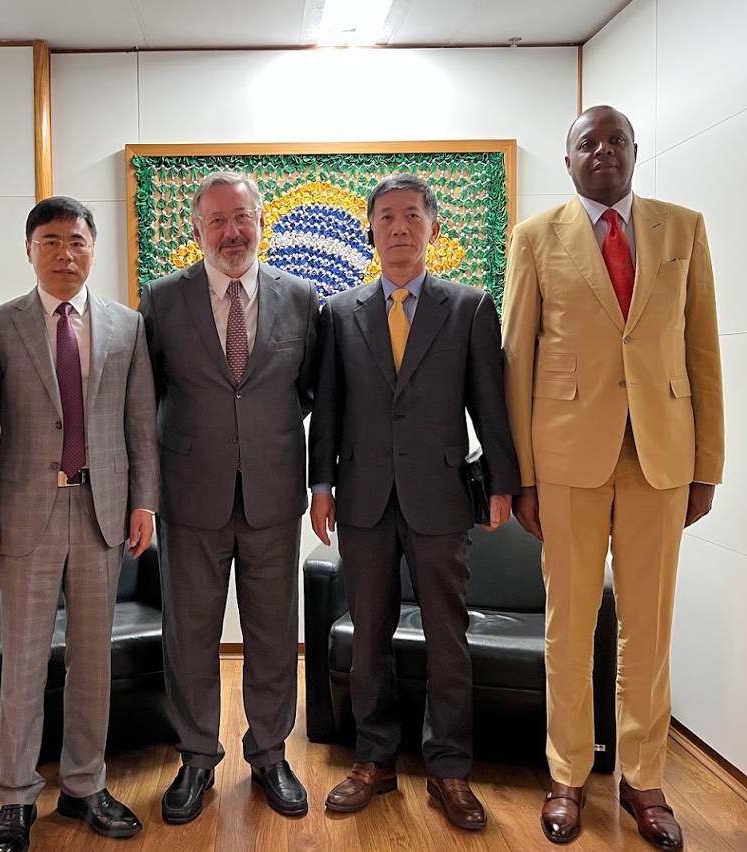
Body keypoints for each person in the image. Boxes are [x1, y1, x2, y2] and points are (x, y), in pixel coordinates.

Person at [501, 105, 725, 850]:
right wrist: (523, 476)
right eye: (587, 143)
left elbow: (702, 351)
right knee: (568, 625)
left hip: (662, 457)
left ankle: (644, 778)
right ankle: (567, 775)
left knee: (648, 627)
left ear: (634, 151)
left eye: (616, 140)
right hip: (567, 458)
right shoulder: (536, 236)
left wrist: (707, 466)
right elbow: (517, 358)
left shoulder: (682, 229)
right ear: (568, 160)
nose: (603, 151)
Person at [308, 173, 519, 830]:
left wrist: (504, 483)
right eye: (386, 217)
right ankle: (374, 759)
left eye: (411, 216)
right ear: (370, 230)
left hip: (441, 497)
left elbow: (489, 404)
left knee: (447, 637)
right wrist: (321, 487)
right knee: (368, 635)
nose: (398, 228)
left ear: (433, 227)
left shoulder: (470, 307)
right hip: (363, 498)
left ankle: (449, 769)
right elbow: (328, 409)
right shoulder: (339, 312)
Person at [0, 196, 158, 848]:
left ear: (93, 248)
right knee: (22, 662)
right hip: (24, 515)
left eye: (76, 241)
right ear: (29, 250)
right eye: (50, 241)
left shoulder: (128, 325)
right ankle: (15, 797)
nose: (64, 254)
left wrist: (144, 502)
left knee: (92, 663)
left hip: (102, 513)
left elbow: (140, 426)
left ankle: (84, 785)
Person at [138, 171, 318, 823]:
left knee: (274, 634)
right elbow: (146, 396)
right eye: (216, 220)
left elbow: (308, 390)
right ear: (197, 230)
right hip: (190, 495)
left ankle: (269, 754)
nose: (231, 232)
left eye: (241, 217)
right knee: (190, 635)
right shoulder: (162, 299)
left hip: (272, 493)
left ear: (261, 220)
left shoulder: (301, 297)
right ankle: (196, 757)